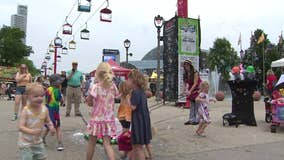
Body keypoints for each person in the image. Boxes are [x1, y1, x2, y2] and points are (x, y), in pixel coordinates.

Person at [85, 62, 119, 160]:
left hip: (96, 119)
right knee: (107, 144)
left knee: (92, 143)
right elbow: (116, 98)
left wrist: (88, 99)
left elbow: (90, 103)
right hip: (109, 120)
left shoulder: (95, 87)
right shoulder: (113, 87)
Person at [18, 82, 55, 160]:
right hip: (25, 143)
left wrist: (51, 127)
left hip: (37, 142)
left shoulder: (45, 109)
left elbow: (48, 121)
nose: (40, 98)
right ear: (27, 97)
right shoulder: (26, 110)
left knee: (42, 158)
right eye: (36, 96)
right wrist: (32, 132)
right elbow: (21, 127)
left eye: (42, 96)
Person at [127, 70, 152, 160]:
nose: (127, 81)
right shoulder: (142, 91)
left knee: (138, 146)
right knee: (136, 145)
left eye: (128, 79)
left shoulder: (135, 92)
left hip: (138, 122)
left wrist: (128, 99)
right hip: (144, 120)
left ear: (133, 80)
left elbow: (133, 107)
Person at [42, 74, 64, 151]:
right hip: (54, 111)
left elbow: (47, 101)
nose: (60, 83)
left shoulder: (48, 90)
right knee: (57, 127)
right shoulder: (56, 90)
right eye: (59, 82)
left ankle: (43, 138)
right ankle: (59, 143)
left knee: (49, 127)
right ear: (54, 82)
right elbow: (61, 101)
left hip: (49, 110)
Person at [183, 60, 202, 125]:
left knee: (196, 104)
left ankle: (197, 119)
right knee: (192, 105)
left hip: (197, 88)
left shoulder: (195, 72)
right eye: (185, 65)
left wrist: (190, 91)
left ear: (190, 65)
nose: (186, 66)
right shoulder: (185, 73)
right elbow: (186, 83)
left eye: (187, 65)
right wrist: (185, 90)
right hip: (191, 89)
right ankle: (191, 119)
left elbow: (195, 83)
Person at [117, 81, 132, 159]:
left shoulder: (122, 95)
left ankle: (124, 150)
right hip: (128, 116)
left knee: (124, 131)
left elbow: (116, 97)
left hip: (121, 116)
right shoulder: (128, 95)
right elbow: (130, 105)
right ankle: (125, 150)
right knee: (126, 133)